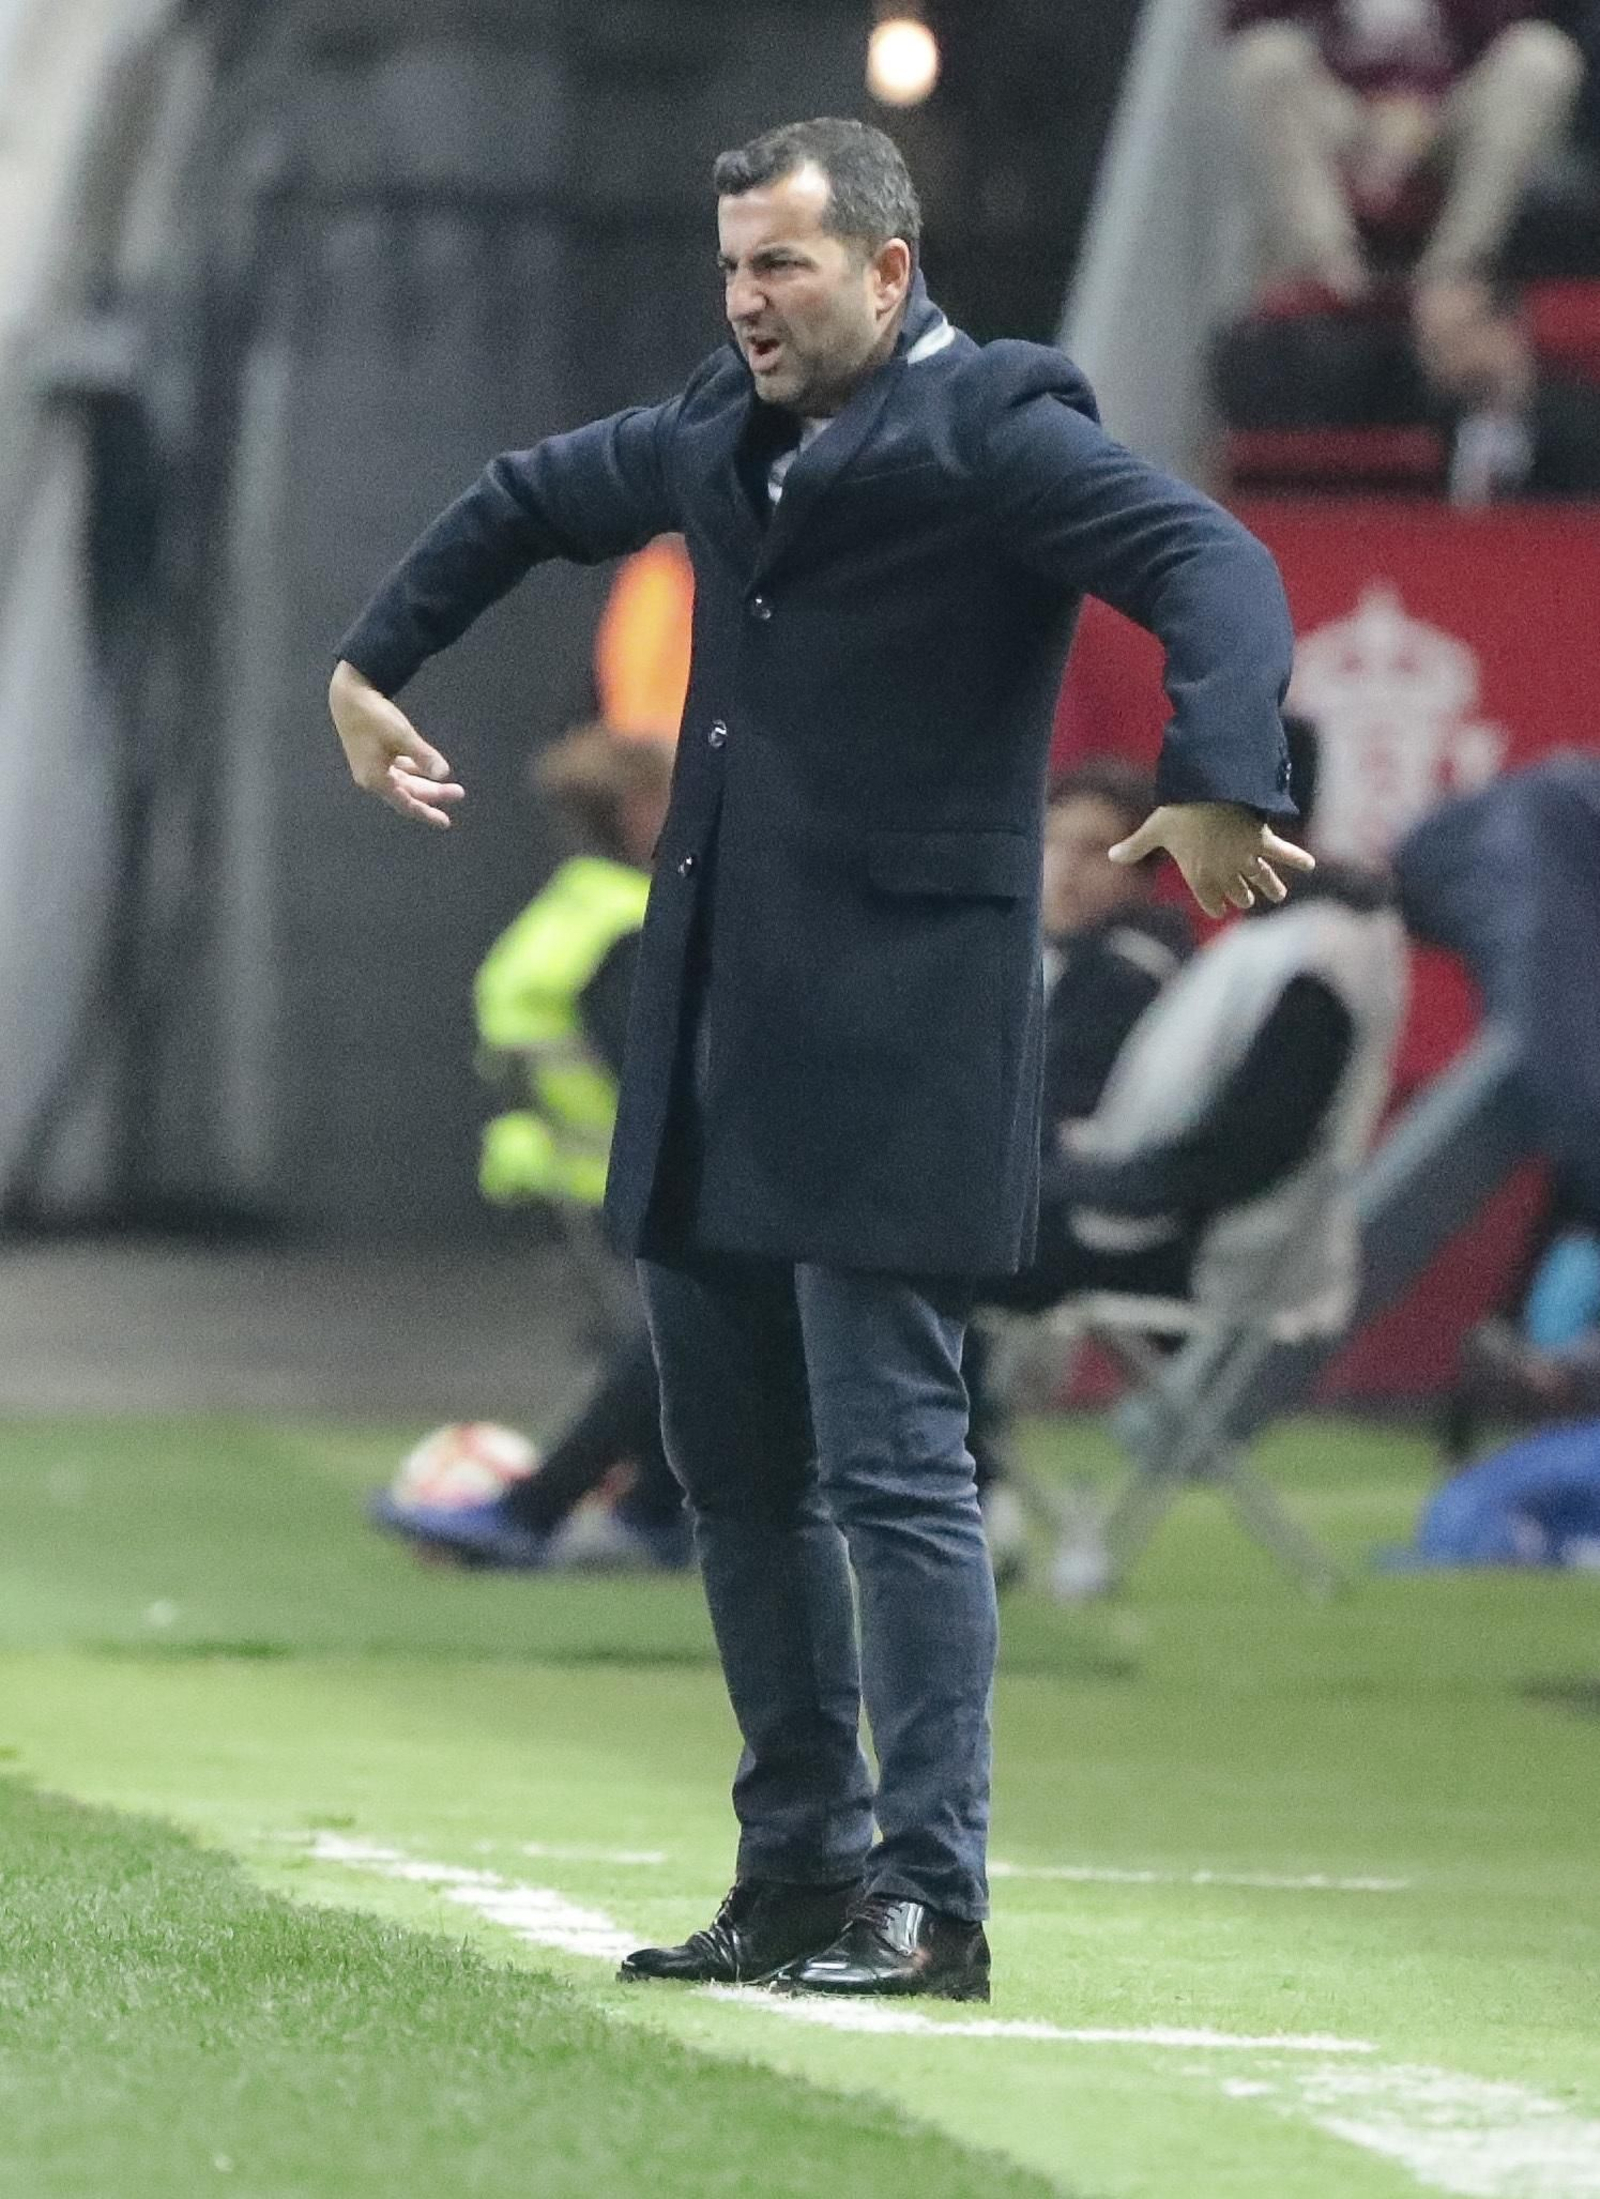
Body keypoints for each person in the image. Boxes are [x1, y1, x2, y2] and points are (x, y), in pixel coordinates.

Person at [327, 116, 1309, 2004]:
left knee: (895, 1467)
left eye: (779, 264)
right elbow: (527, 494)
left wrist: (1218, 773)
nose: (746, 303)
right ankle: (796, 1869)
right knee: (735, 1472)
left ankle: (931, 1897)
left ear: (888, 265)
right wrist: (373, 664)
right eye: (730, 269)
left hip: (903, 1032)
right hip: (718, 1023)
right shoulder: (722, 423)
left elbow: (1213, 558)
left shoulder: (998, 430)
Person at [371, 722, 690, 1571]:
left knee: (671, 1349)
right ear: (636, 810)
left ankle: (649, 1507)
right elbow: (654, 1070)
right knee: (676, 1343)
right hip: (643, 1178)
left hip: (576, 1175)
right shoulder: (631, 924)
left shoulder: (568, 912)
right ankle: (553, 1505)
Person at [1224, 3, 1583, 338]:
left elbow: (1515, 18)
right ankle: (1325, 272)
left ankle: (1452, 275)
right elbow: (1242, 19)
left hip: (1448, 114)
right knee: (1266, 56)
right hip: (1347, 114)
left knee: (1540, 58)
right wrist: (1376, 112)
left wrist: (1418, 108)